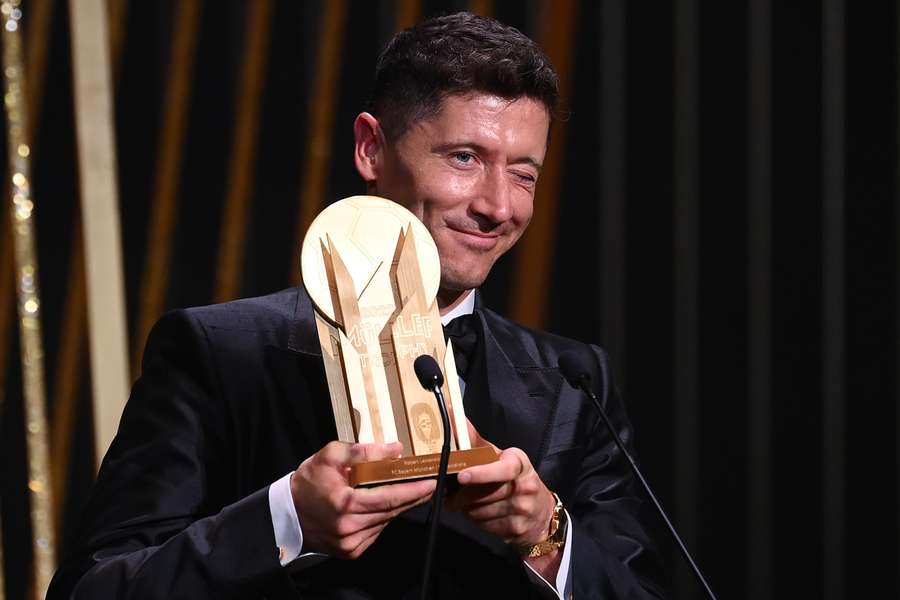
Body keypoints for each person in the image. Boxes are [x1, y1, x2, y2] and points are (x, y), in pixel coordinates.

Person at [47, 12, 665, 599]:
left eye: (524, 174)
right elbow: (92, 589)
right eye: (465, 158)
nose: (498, 206)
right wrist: (285, 519)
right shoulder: (219, 353)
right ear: (371, 148)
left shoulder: (573, 383)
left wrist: (546, 538)